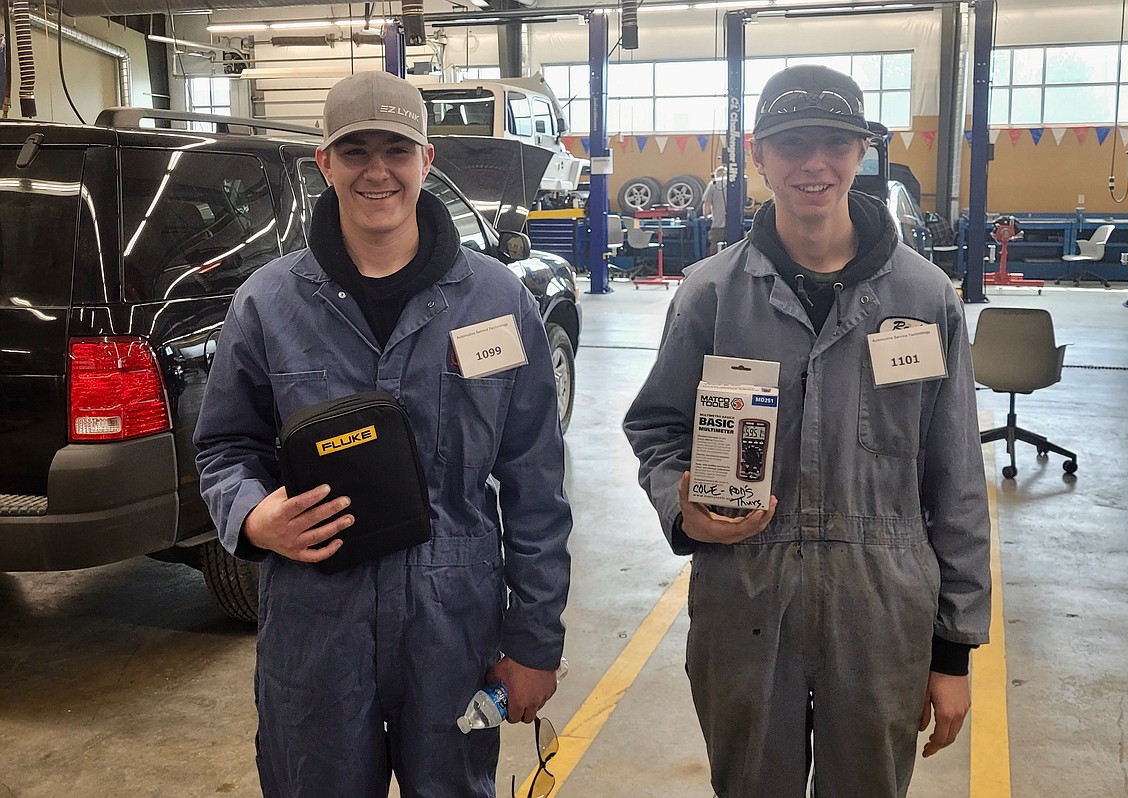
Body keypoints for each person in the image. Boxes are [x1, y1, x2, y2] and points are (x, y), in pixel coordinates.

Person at [194, 70, 572, 798]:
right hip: (316, 621)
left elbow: (535, 484)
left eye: (396, 150)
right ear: (324, 164)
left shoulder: (496, 301)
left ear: (427, 161)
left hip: (453, 625)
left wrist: (534, 642)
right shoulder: (267, 305)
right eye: (355, 150)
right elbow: (224, 448)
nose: (377, 170)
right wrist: (252, 514)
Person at [623, 64, 990, 797]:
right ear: (759, 155)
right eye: (792, 144)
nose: (813, 163)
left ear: (861, 154)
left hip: (882, 607)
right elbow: (658, 429)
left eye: (833, 142)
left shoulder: (922, 297)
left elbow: (955, 480)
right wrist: (681, 502)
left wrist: (952, 652)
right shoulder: (711, 295)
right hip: (745, 602)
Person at [702, 165, 728, 256]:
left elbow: (707, 203)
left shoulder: (713, 184)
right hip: (734, 224)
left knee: (715, 247)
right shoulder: (735, 183)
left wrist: (706, 216)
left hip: (719, 223)